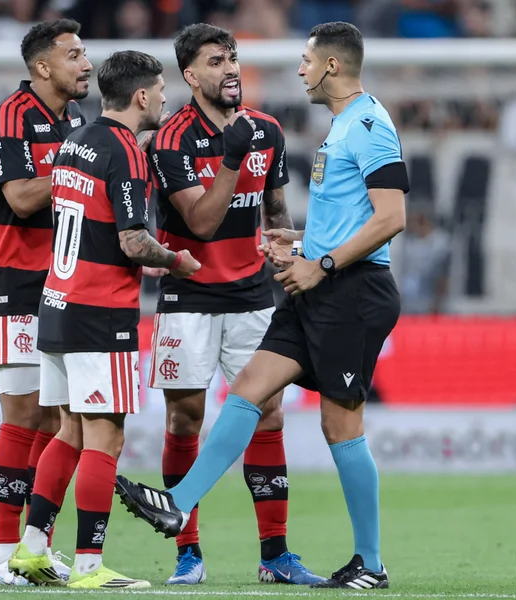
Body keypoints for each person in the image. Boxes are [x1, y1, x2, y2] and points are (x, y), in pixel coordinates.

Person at [116, 21, 409, 590]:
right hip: (313, 287)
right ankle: (178, 504)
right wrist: (298, 243)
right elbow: (345, 216)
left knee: (341, 424)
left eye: (306, 60)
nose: (299, 69)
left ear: (330, 66)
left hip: (351, 292)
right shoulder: (343, 125)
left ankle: (370, 563)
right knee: (251, 388)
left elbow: (391, 217)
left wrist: (321, 263)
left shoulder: (369, 126)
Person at [7, 50, 201, 590]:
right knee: (105, 438)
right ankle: (89, 566)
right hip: (100, 312)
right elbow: (133, 241)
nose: (164, 98)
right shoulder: (125, 152)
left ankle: (32, 548)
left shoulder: (78, 140)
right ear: (140, 96)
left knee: (68, 430)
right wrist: (176, 260)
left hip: (57, 303)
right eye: (159, 90)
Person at [146, 23, 323, 586]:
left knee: (268, 413)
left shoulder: (267, 130)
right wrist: (231, 157)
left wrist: (284, 251)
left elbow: (275, 210)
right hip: (189, 297)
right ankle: (188, 554)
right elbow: (200, 222)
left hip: (251, 296)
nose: (229, 69)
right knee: (185, 418)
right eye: (215, 61)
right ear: (190, 75)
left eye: (232, 58)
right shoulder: (171, 139)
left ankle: (276, 555)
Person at [0, 18, 89, 586]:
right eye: (73, 54)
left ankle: (34, 547)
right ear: (42, 66)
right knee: (21, 414)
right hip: (9, 278)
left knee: (54, 416)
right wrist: (82, 165)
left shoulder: (76, 119)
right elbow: (19, 197)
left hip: (58, 281)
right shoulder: (12, 115)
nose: (85, 63)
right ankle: (4, 555)